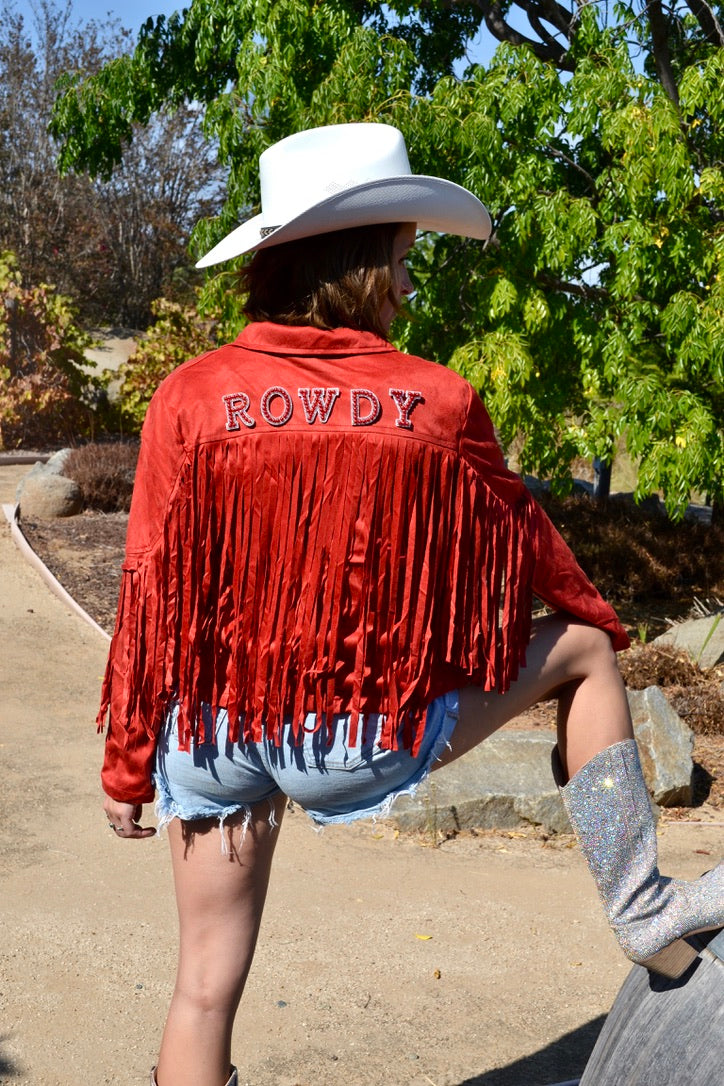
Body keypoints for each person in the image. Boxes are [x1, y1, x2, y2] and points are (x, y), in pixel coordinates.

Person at [99, 123, 723, 1086]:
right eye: (398, 259)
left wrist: (127, 768)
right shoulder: (434, 401)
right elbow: (527, 552)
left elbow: (149, 592)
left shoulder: (189, 395)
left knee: (201, 991)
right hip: (349, 739)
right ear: (354, 263)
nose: (406, 283)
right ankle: (641, 906)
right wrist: (598, 618)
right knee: (589, 649)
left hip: (214, 735)